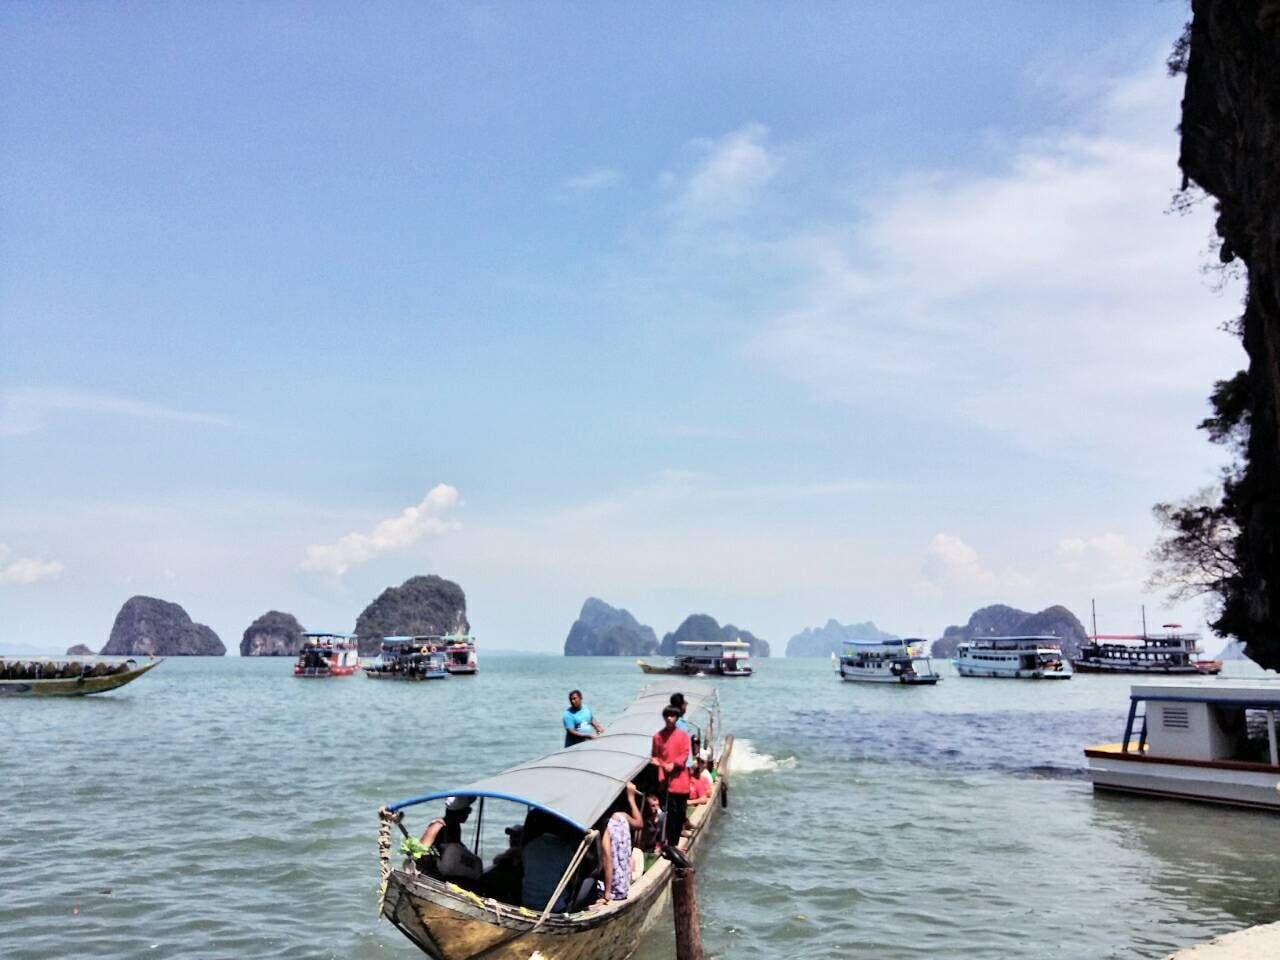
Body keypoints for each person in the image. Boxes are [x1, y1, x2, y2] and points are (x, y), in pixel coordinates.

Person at [650, 705, 691, 848]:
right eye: (667, 716)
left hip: (682, 780)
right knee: (670, 814)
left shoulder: (684, 735)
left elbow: (685, 754)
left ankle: (675, 841)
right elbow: (654, 757)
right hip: (667, 782)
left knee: (681, 814)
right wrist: (661, 765)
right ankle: (670, 844)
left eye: (672, 716)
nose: (669, 718)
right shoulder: (658, 737)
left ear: (677, 718)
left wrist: (674, 764)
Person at [596, 782, 643, 904]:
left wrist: (607, 893)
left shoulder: (606, 826)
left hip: (614, 888)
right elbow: (639, 824)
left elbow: (608, 860)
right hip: (623, 885)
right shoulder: (621, 816)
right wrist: (631, 798)